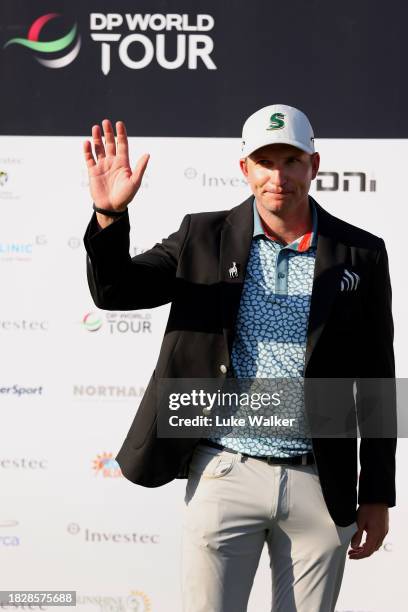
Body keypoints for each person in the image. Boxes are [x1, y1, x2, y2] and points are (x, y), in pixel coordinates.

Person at [83, 104, 396, 612]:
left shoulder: (362, 253)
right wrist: (110, 216)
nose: (279, 176)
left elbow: (377, 378)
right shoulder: (202, 237)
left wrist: (377, 493)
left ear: (314, 167)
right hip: (225, 474)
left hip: (322, 481)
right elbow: (115, 291)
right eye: (265, 161)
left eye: (291, 160)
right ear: (245, 169)